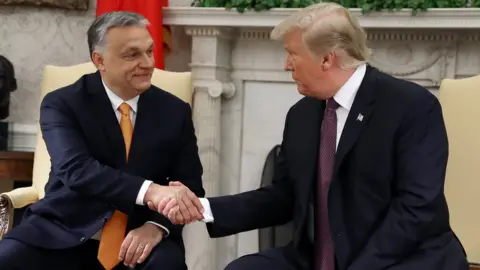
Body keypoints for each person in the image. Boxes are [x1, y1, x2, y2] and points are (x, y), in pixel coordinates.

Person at [160, 3, 469, 270]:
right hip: (317, 259)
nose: (286, 65)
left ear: (326, 59)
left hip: (399, 258)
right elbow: (283, 197)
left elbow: (416, 209)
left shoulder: (411, 106)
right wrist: (203, 208)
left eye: (292, 54)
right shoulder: (302, 115)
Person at [0, 11, 204, 270]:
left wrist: (156, 227)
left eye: (149, 51)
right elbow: (77, 170)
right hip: (64, 229)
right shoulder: (62, 103)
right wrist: (151, 190)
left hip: (139, 236)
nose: (148, 63)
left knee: (167, 265)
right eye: (132, 55)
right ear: (100, 60)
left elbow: (191, 186)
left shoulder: (175, 110)